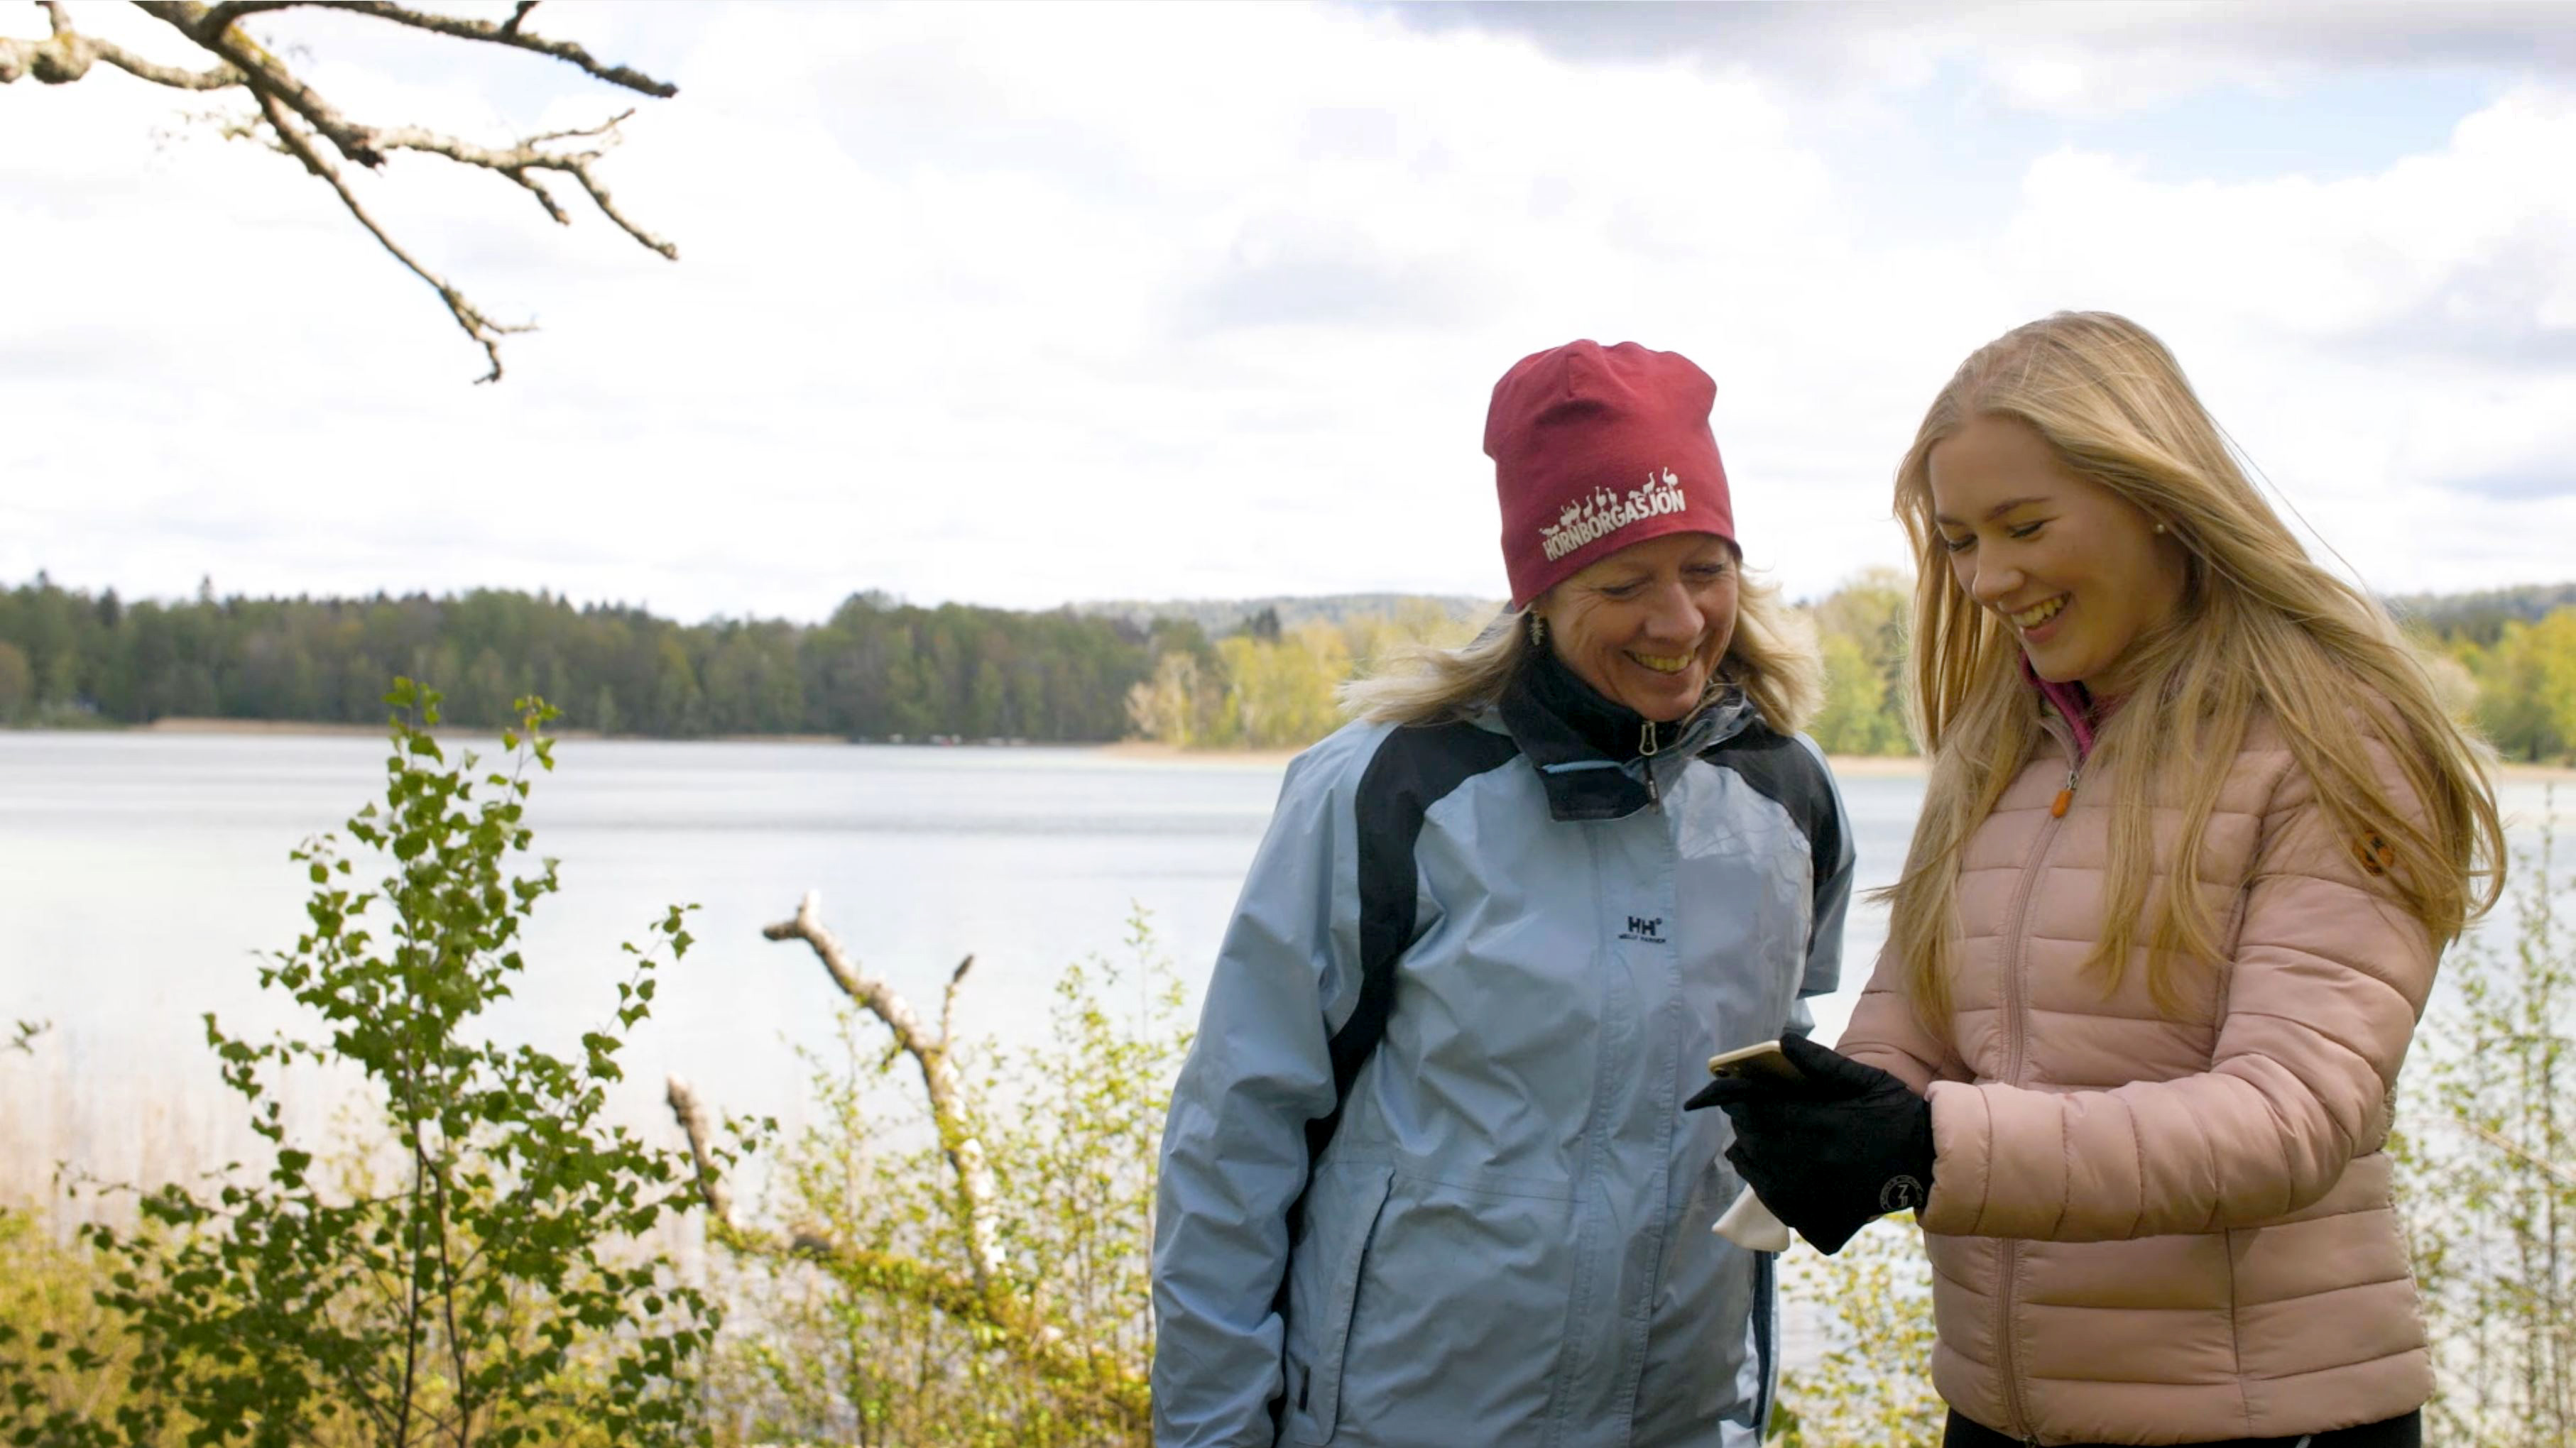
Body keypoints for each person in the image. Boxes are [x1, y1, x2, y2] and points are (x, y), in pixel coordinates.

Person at [1694, 312, 2505, 1448]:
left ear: (2159, 498)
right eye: (1962, 540)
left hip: (2263, 1423)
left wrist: (1927, 1149)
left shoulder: (2330, 745)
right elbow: (1911, 1032)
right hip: (1996, 1412)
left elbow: (2290, 1118)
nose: (1987, 578)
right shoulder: (2000, 747)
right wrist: (1827, 1117)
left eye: (2023, 526)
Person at [1151, 340, 1855, 1447]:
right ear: (1540, 590)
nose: (1677, 623)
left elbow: (1775, 1082)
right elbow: (1236, 1131)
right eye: (1624, 584)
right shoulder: (1390, 788)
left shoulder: (1787, 797)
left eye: (1706, 570)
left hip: (1683, 1423)